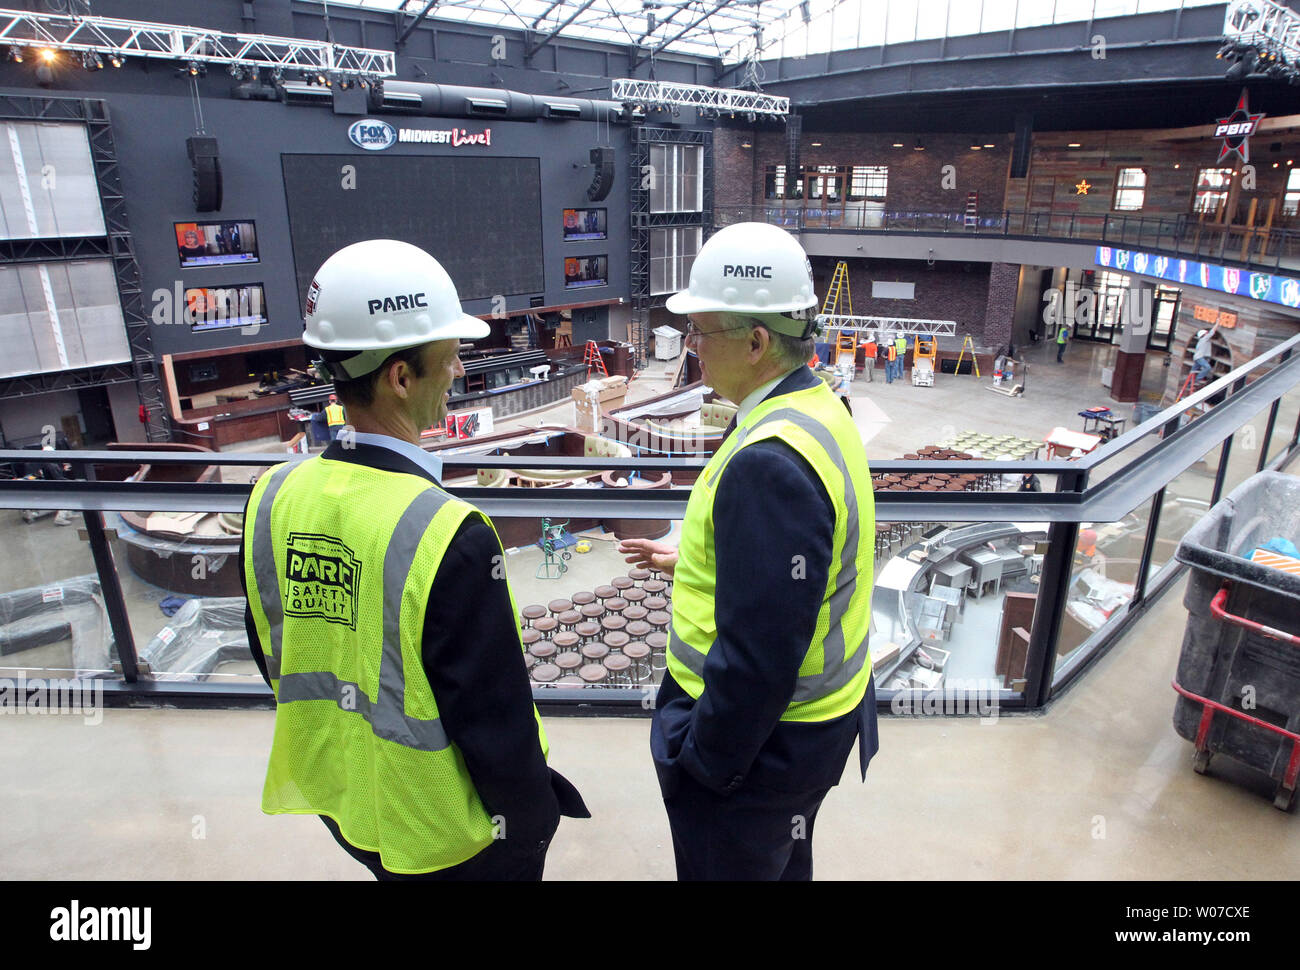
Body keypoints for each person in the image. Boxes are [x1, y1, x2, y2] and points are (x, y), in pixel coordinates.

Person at [241, 239, 588, 880]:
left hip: (345, 796)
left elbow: (274, 647)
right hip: (442, 830)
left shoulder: (272, 496)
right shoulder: (447, 533)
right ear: (401, 377)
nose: (459, 372)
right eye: (451, 358)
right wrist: (532, 823)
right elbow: (493, 718)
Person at [619, 222, 878, 881]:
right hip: (812, 732)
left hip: (761, 751)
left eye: (703, 332)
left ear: (758, 340)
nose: (694, 349)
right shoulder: (817, 411)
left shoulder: (771, 461)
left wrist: (704, 765)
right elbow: (795, 580)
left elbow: (758, 661)